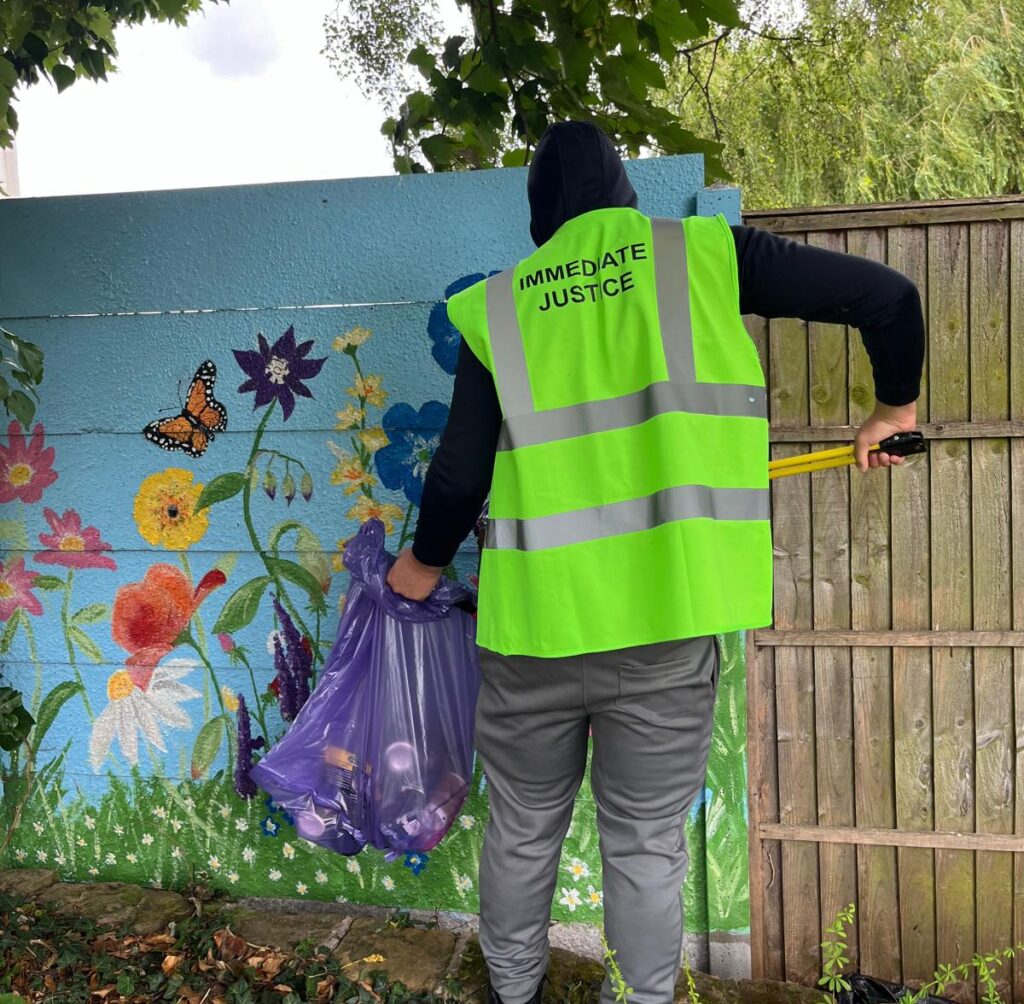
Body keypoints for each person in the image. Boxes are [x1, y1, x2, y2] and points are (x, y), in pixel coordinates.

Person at [387, 121, 924, 1004]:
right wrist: (893, 408)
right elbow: (891, 299)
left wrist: (419, 565)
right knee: (642, 843)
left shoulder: (498, 305)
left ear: (540, 220)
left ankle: (514, 995)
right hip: (665, 630)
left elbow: (457, 474)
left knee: (522, 830)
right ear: (625, 193)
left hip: (533, 633)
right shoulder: (704, 254)